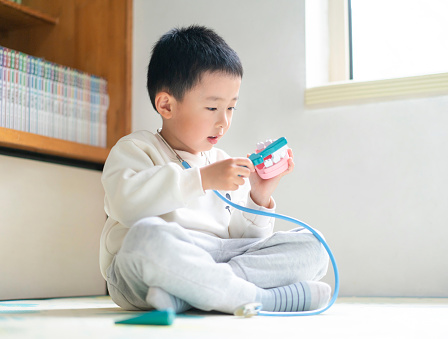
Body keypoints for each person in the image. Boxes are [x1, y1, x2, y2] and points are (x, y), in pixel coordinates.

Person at [99, 25, 330, 315]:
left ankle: (190, 294)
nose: (224, 122)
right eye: (212, 108)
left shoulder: (220, 161)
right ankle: (262, 298)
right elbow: (125, 205)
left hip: (217, 262)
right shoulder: (136, 148)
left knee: (314, 246)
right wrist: (201, 179)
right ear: (166, 105)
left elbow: (245, 243)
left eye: (231, 108)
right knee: (145, 237)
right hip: (147, 267)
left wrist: (258, 197)